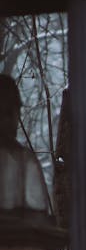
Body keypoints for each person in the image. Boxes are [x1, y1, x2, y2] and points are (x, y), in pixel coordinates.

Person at [0, 75, 50, 214]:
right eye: (6, 112)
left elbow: (38, 221)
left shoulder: (25, 161)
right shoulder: (24, 160)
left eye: (14, 113)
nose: (11, 120)